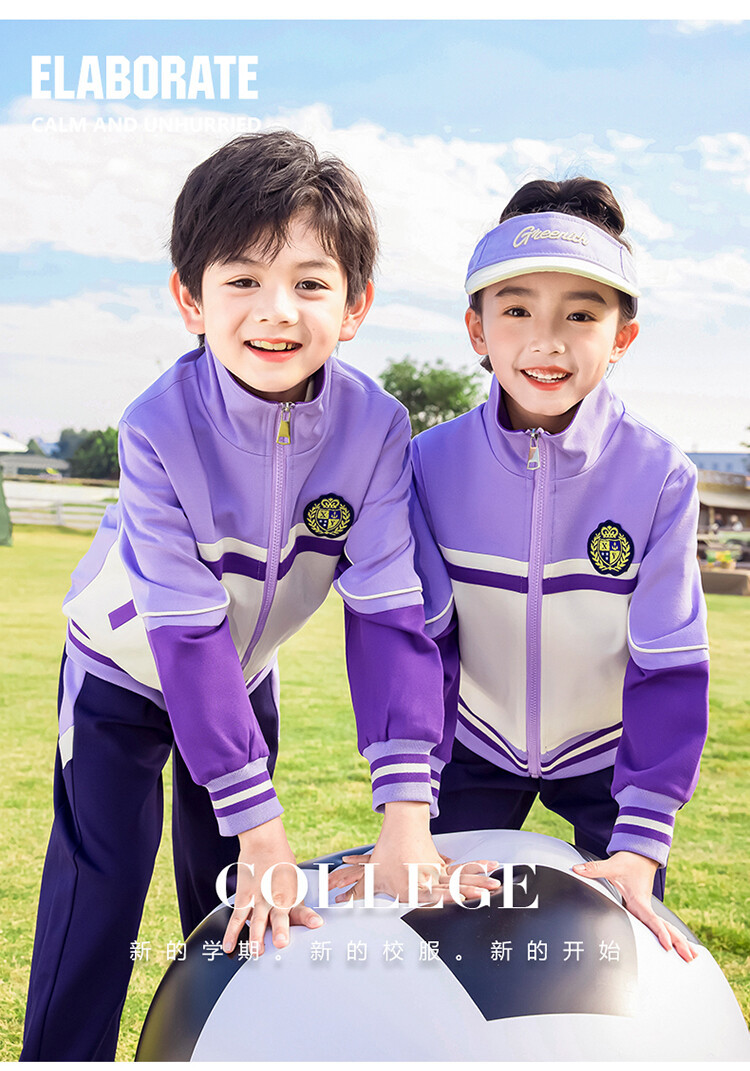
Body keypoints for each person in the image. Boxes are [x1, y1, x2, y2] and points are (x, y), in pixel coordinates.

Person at [21, 131, 495, 1062]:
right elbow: (187, 633)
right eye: (242, 279)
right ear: (190, 300)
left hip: (246, 675)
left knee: (239, 907)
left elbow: (390, 617)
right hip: (124, 671)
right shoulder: (156, 427)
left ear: (354, 306)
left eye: (311, 282)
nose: (276, 310)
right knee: (102, 891)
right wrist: (262, 825)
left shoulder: (375, 427)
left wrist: (407, 820)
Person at [409, 178, 709, 963]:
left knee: (623, 954)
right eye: (516, 310)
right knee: (440, 944)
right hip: (473, 747)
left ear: (622, 337)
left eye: (581, 314)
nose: (547, 341)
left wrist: (643, 840)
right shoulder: (426, 466)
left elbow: (669, 665)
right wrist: (410, 798)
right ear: (476, 328)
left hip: (608, 758)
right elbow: (421, 644)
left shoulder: (661, 476)